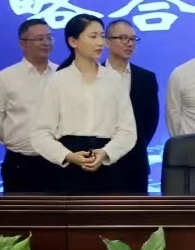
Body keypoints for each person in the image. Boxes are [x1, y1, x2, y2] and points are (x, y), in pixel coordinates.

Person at [31, 14, 138, 195]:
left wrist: (105, 153)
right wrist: (68, 156)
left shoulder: (114, 79)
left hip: (107, 165)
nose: (100, 43)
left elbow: (127, 130)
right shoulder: (57, 80)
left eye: (102, 36)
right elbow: (40, 133)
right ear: (73, 41)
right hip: (67, 166)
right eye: (93, 36)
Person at [0, 19, 58, 194]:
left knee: (55, 210)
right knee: (18, 210)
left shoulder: (62, 74)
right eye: (39, 38)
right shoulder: (5, 77)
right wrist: (15, 141)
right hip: (19, 162)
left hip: (57, 161)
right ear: (22, 44)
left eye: (49, 37)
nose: (46, 43)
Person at [104, 19, 159, 195]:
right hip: (99, 162)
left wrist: (132, 145)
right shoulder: (93, 74)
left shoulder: (146, 78)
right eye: (123, 38)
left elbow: (151, 121)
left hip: (135, 164)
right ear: (107, 41)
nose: (130, 44)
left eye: (133, 39)